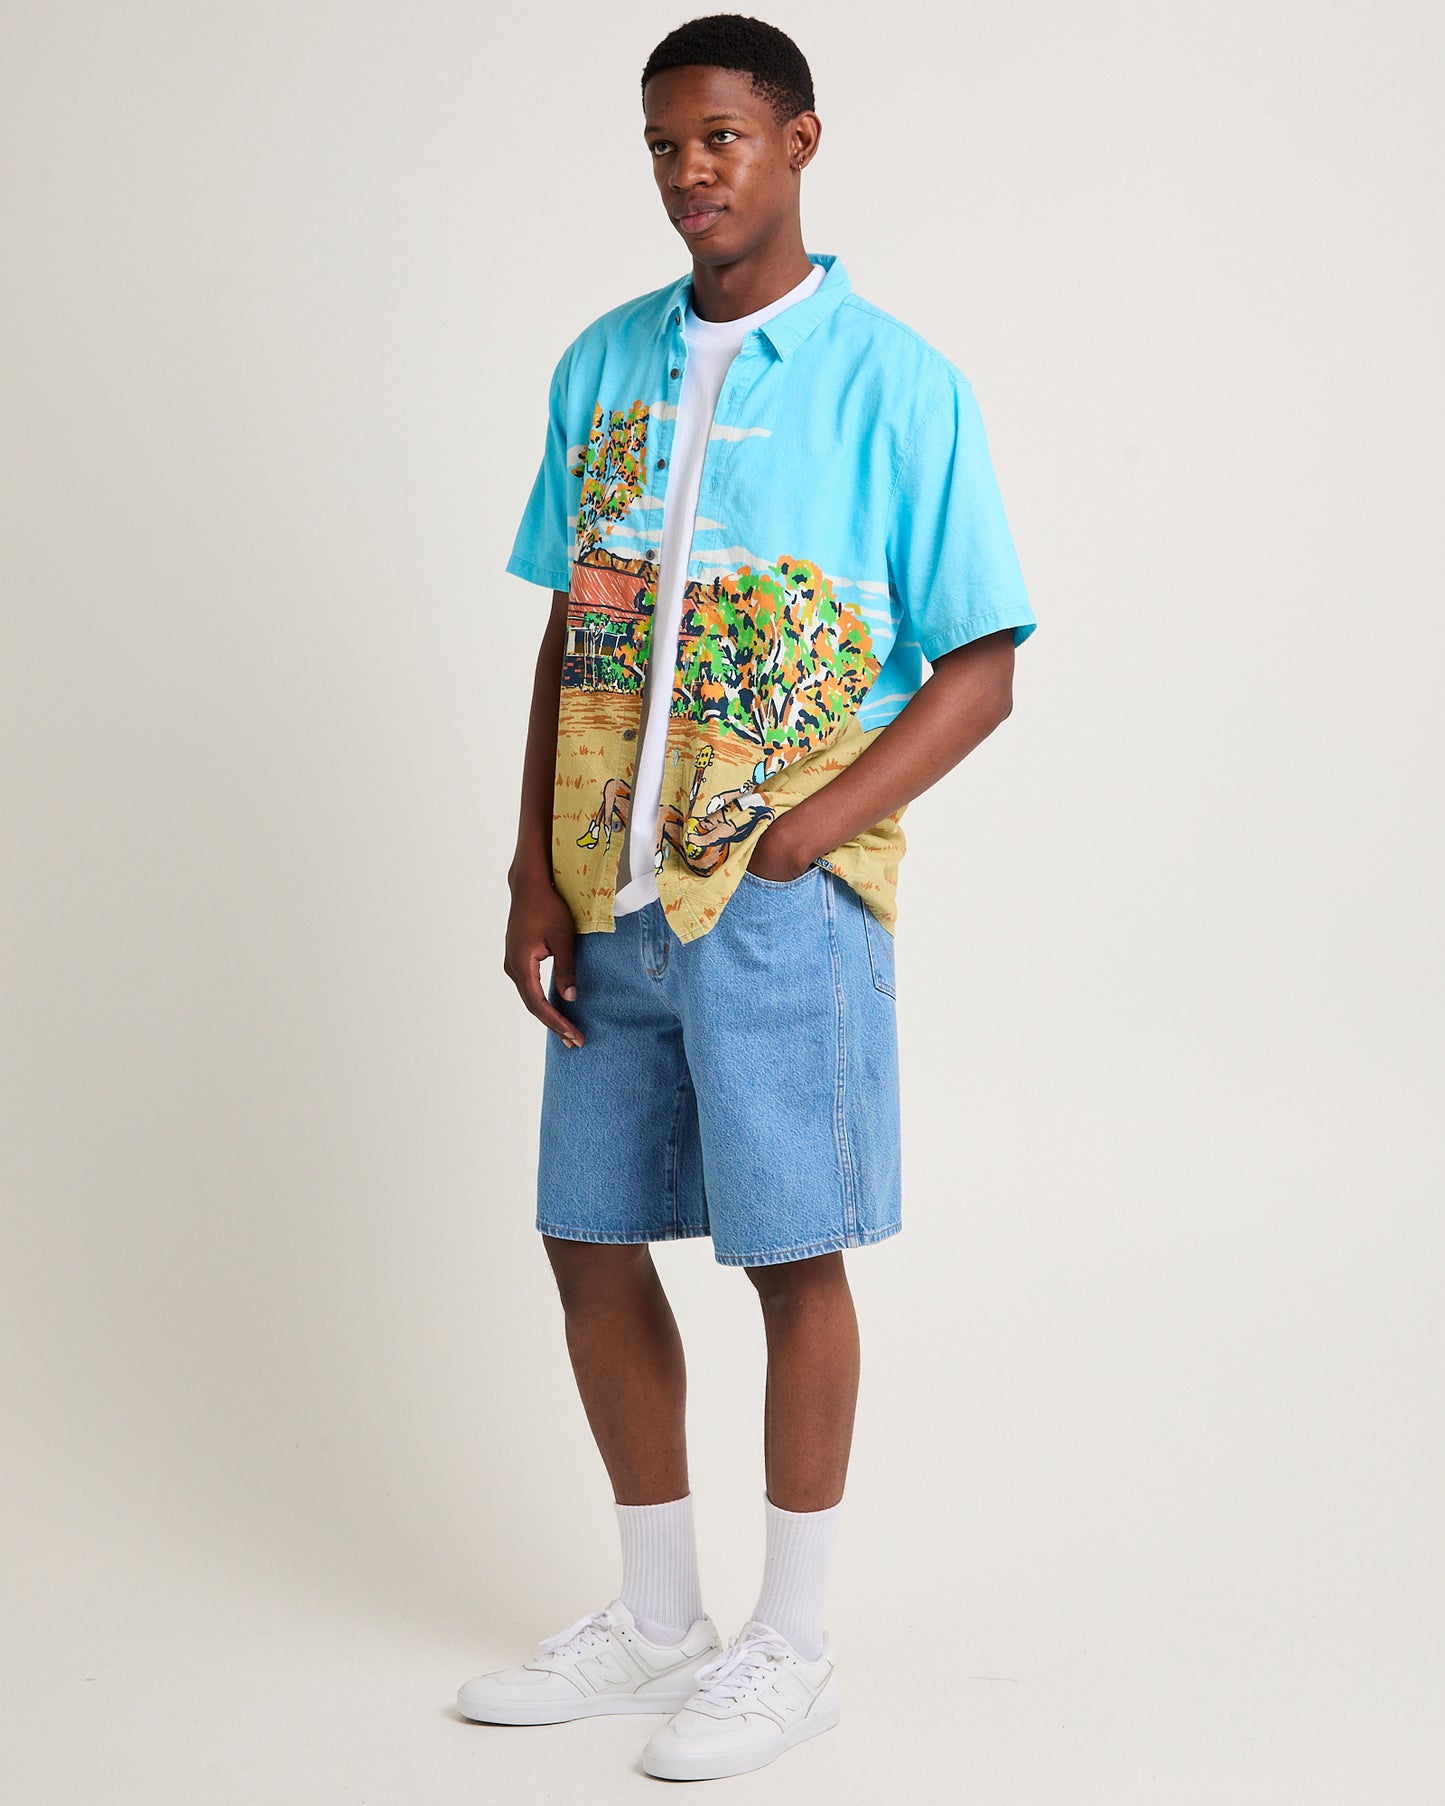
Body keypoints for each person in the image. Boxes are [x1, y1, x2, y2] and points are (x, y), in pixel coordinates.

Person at [457, 12, 1038, 1783]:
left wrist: (806, 830)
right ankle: (657, 1617)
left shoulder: (897, 383)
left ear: (796, 140)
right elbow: (573, 625)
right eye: (662, 143)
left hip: (781, 901)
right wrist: (531, 863)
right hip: (607, 890)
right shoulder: (602, 365)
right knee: (586, 1234)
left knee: (791, 1249)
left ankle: (791, 1642)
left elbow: (982, 664)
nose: (687, 170)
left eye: (717, 135)